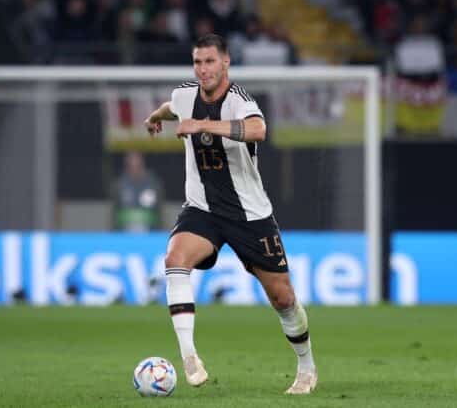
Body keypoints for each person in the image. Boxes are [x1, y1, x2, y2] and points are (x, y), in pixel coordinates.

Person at [143, 33, 317, 394]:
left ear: (225, 63)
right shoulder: (184, 94)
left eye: (209, 61)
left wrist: (203, 125)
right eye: (197, 62)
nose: (202, 69)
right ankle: (189, 357)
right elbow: (171, 106)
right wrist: (155, 117)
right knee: (175, 258)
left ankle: (307, 367)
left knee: (283, 298)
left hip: (249, 215)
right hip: (202, 208)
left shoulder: (240, 101)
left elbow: (259, 129)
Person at [111, 151, 163, 232]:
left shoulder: (152, 183)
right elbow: (114, 213)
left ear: (142, 165)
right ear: (127, 167)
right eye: (131, 166)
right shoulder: (120, 184)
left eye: (137, 165)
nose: (134, 168)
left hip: (150, 233)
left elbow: (160, 211)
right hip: (124, 233)